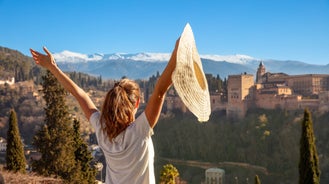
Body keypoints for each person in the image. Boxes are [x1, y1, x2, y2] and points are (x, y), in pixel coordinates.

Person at [30, 38, 179, 184]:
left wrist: (53, 67)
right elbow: (159, 91)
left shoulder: (102, 130)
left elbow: (79, 94)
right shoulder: (140, 132)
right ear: (137, 103)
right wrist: (178, 54)